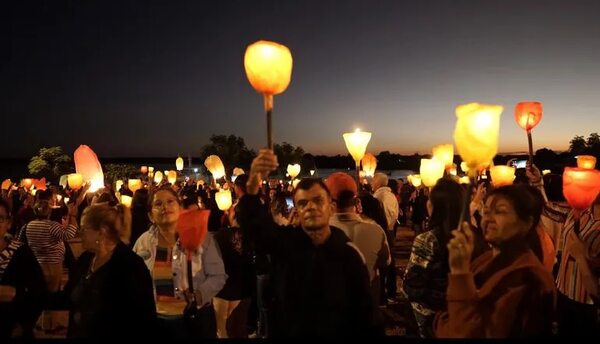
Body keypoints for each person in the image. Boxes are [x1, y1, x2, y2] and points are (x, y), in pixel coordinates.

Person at [236, 149, 377, 338]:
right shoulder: (285, 245)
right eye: (303, 203)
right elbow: (255, 227)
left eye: (318, 200)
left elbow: (366, 315)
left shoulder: (348, 254)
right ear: (296, 211)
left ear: (331, 207)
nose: (310, 207)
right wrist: (253, 185)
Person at [435, 184, 556, 338]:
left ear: (527, 222)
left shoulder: (527, 277)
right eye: (485, 211)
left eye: (500, 211)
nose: (488, 219)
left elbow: (467, 333)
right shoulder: (485, 259)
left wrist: (460, 274)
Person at [133, 187, 226, 338]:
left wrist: (199, 295)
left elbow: (218, 276)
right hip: (157, 321)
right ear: (150, 215)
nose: (165, 207)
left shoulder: (202, 238)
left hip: (193, 320)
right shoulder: (143, 242)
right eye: (158, 204)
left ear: (180, 208)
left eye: (170, 201)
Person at [64, 204, 157, 337]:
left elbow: (142, 316)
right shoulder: (86, 260)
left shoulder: (130, 265)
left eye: (84, 229)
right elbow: (68, 295)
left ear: (102, 232)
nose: (80, 233)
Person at [403, 178, 463, 338]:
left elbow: (413, 285)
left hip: (430, 317)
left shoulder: (428, 239)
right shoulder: (471, 235)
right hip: (461, 311)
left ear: (437, 206)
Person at [0, 199, 47, 339]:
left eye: (0, 219)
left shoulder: (22, 253)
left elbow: (39, 293)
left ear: (8, 223)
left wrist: (16, 294)